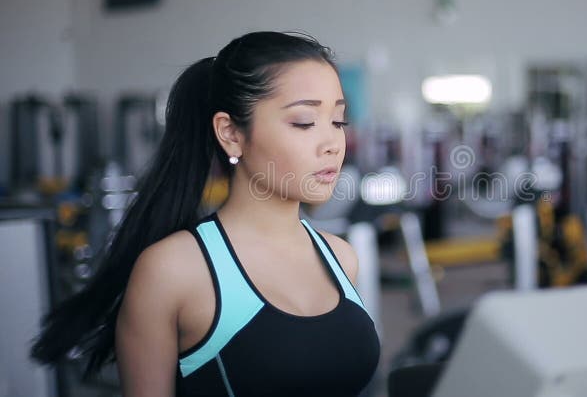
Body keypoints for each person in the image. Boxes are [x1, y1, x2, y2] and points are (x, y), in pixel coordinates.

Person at [30, 32, 381, 396]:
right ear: (230, 133)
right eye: (304, 122)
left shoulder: (341, 258)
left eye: (338, 121)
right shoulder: (173, 270)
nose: (332, 144)